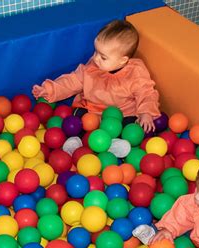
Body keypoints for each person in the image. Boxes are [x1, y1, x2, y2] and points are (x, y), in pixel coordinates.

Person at [32, 20, 161, 157]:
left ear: (122, 60)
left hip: (121, 114)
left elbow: (146, 92)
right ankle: (78, 142)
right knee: (76, 119)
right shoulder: (92, 68)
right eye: (96, 52)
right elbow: (72, 81)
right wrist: (49, 89)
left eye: (103, 57)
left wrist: (146, 112)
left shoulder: (135, 73)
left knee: (132, 126)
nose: (96, 58)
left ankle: (113, 144)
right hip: (91, 110)